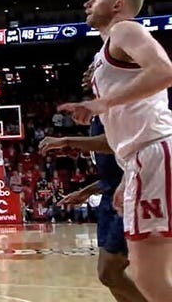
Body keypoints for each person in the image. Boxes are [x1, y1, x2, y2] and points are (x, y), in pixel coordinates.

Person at [58, 0, 172, 302]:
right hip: (140, 159)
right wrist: (126, 176)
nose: (87, 3)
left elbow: (165, 71)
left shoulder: (126, 28)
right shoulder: (105, 52)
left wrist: (101, 103)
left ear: (117, 5)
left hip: (153, 152)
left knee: (148, 276)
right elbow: (132, 119)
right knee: (147, 274)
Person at [40, 117, 146, 302]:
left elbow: (116, 141)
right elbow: (111, 177)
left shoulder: (117, 108)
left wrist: (66, 140)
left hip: (134, 194)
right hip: (110, 198)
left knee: (111, 271)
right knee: (110, 277)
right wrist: (84, 192)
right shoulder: (95, 120)